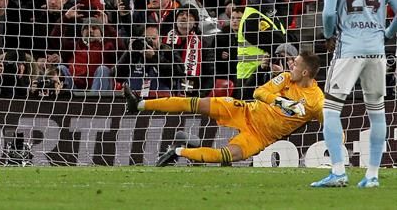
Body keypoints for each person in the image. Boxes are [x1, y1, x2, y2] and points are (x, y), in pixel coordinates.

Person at [123, 51, 323, 167]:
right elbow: (259, 93)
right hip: (245, 110)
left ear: (305, 72)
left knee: (226, 156)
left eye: (295, 64)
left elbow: (330, 123)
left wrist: (337, 144)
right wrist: (281, 102)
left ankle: (177, 151)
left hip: (260, 136)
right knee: (196, 103)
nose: (290, 65)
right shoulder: (287, 78)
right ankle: (139, 104)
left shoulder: (316, 101)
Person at [312, 0, 397, 188]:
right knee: (377, 112)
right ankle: (372, 176)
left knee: (331, 110)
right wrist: (387, 33)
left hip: (348, 48)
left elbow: (328, 13)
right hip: (376, 50)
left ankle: (338, 172)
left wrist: (328, 35)